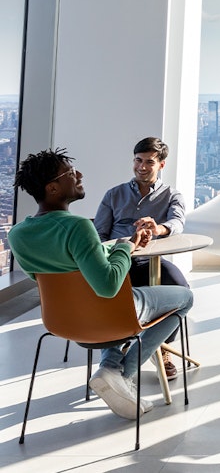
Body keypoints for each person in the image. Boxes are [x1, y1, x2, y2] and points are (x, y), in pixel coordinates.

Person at [9, 149, 193, 420]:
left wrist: (122, 247)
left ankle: (111, 369)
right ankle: (120, 374)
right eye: (71, 173)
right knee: (185, 298)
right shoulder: (77, 226)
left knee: (123, 298)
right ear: (53, 187)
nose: (79, 175)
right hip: (110, 317)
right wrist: (123, 248)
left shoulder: (18, 235)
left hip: (62, 322)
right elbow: (107, 286)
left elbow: (55, 276)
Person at [95, 136, 189, 379]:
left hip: (151, 260)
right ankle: (122, 349)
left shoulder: (172, 195)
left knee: (180, 288)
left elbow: (177, 222)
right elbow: (99, 234)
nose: (142, 167)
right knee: (114, 296)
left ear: (161, 165)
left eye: (149, 162)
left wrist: (158, 229)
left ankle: (161, 346)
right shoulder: (113, 194)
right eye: (138, 160)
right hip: (117, 259)